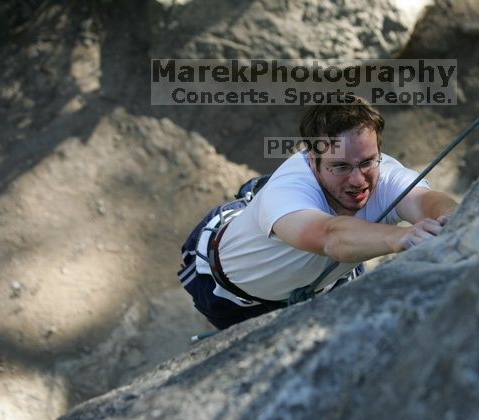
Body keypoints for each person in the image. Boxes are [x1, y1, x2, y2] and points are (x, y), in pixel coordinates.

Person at [179, 97, 458, 329]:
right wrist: (402, 237)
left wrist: (454, 218)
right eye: (340, 167)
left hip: (325, 281)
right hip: (225, 291)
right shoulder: (288, 189)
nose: (359, 181)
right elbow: (330, 237)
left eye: (367, 162)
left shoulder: (385, 174)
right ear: (313, 160)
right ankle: (258, 201)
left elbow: (426, 201)